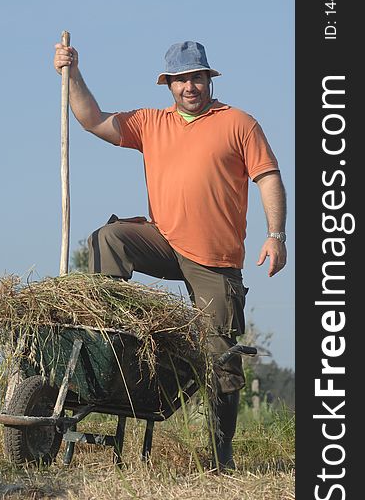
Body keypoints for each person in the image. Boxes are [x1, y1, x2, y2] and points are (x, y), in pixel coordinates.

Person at [53, 39, 287, 470]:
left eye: (196, 77)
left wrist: (276, 234)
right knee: (109, 237)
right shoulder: (151, 123)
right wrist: (73, 74)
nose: (189, 87)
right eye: (180, 80)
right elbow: (92, 119)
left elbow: (268, 177)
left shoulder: (238, 123)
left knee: (221, 358)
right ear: (169, 84)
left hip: (215, 259)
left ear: (208, 79)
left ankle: (221, 456)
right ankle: (109, 336)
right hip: (165, 240)